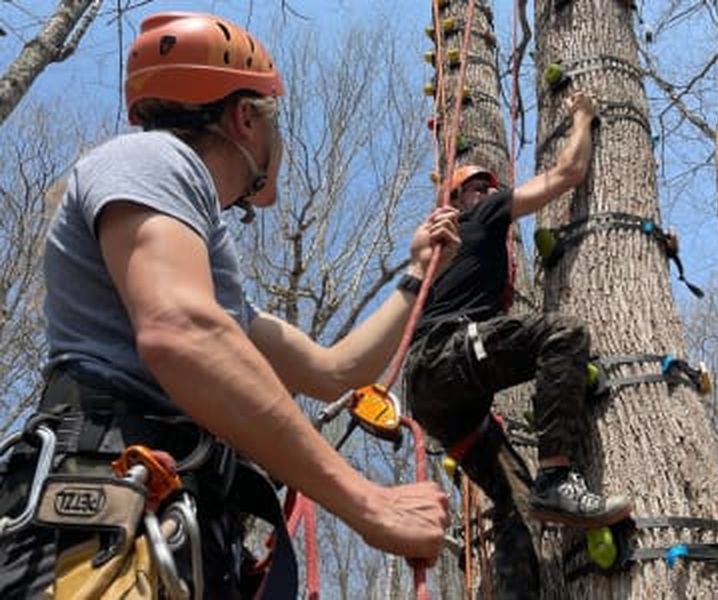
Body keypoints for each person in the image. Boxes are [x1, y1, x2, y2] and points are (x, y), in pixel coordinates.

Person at [0, 11, 459, 599]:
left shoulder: (209, 285)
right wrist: (368, 502)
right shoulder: (156, 161)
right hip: (104, 519)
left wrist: (417, 272)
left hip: (165, 526)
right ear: (246, 116)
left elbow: (336, 372)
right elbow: (181, 333)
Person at [405, 92, 632, 585]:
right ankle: (557, 475)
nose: (488, 192)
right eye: (475, 188)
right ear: (458, 202)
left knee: (516, 506)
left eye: (489, 186)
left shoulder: (438, 253)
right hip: (448, 355)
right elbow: (568, 174)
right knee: (564, 335)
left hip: (441, 398)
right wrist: (582, 118)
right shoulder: (480, 219)